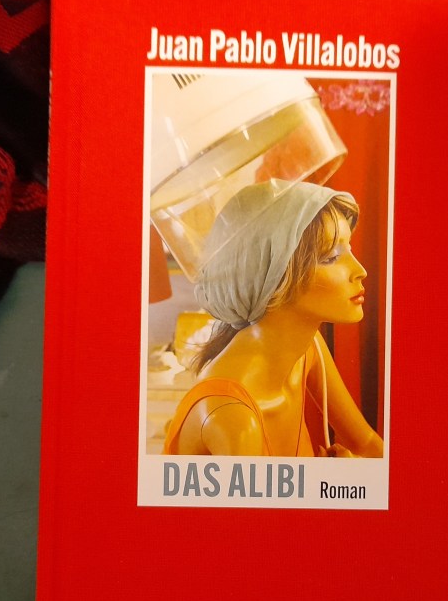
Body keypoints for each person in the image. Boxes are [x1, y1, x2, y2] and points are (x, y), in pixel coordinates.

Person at [163, 180, 383, 458]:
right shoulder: (234, 420)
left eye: (348, 249)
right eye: (331, 257)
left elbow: (367, 444)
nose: (360, 270)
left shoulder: (309, 348)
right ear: (273, 276)